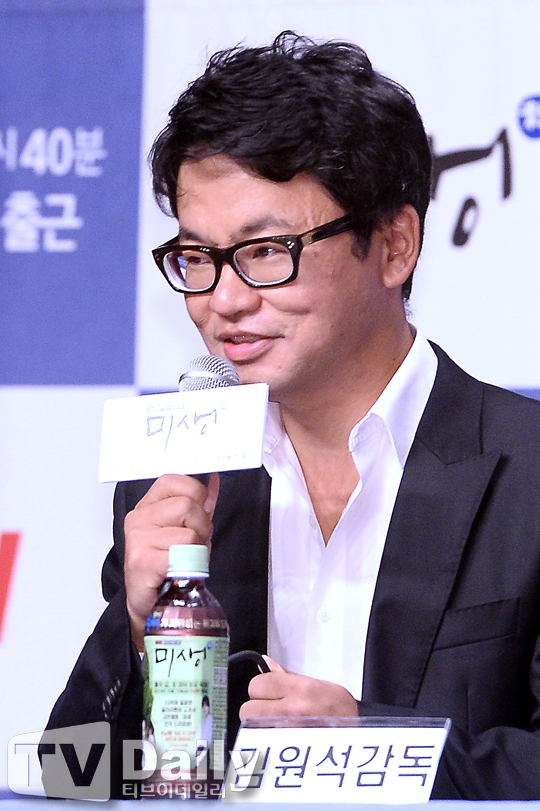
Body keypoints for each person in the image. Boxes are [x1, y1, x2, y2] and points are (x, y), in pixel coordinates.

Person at [44, 32, 540, 799]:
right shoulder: (180, 485)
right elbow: (67, 773)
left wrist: (375, 748)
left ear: (395, 245)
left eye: (267, 250)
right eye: (197, 257)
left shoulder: (526, 471)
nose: (223, 300)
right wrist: (138, 630)